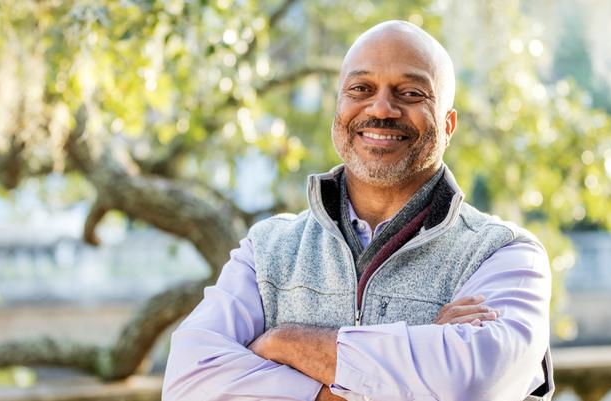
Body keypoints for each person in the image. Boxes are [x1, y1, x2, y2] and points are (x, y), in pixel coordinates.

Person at [163, 20, 554, 401]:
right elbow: (187, 382)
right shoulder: (267, 250)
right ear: (339, 110)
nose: (382, 108)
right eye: (361, 88)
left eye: (412, 93)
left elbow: (472, 384)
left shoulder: (506, 255)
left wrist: (283, 343)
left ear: (448, 126)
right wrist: (419, 358)